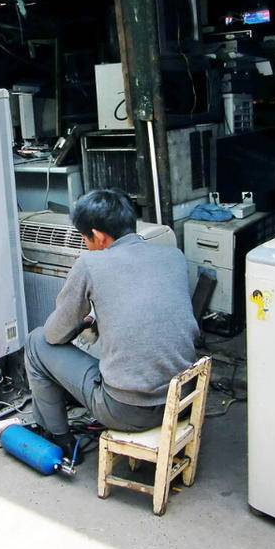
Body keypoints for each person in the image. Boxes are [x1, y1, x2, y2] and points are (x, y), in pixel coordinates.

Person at [24, 188, 199, 458]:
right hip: (183, 401)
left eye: (85, 238)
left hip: (127, 411)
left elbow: (53, 335)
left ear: (98, 236)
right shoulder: (173, 256)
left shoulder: (90, 264)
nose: (85, 244)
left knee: (36, 342)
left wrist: (80, 324)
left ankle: (59, 440)